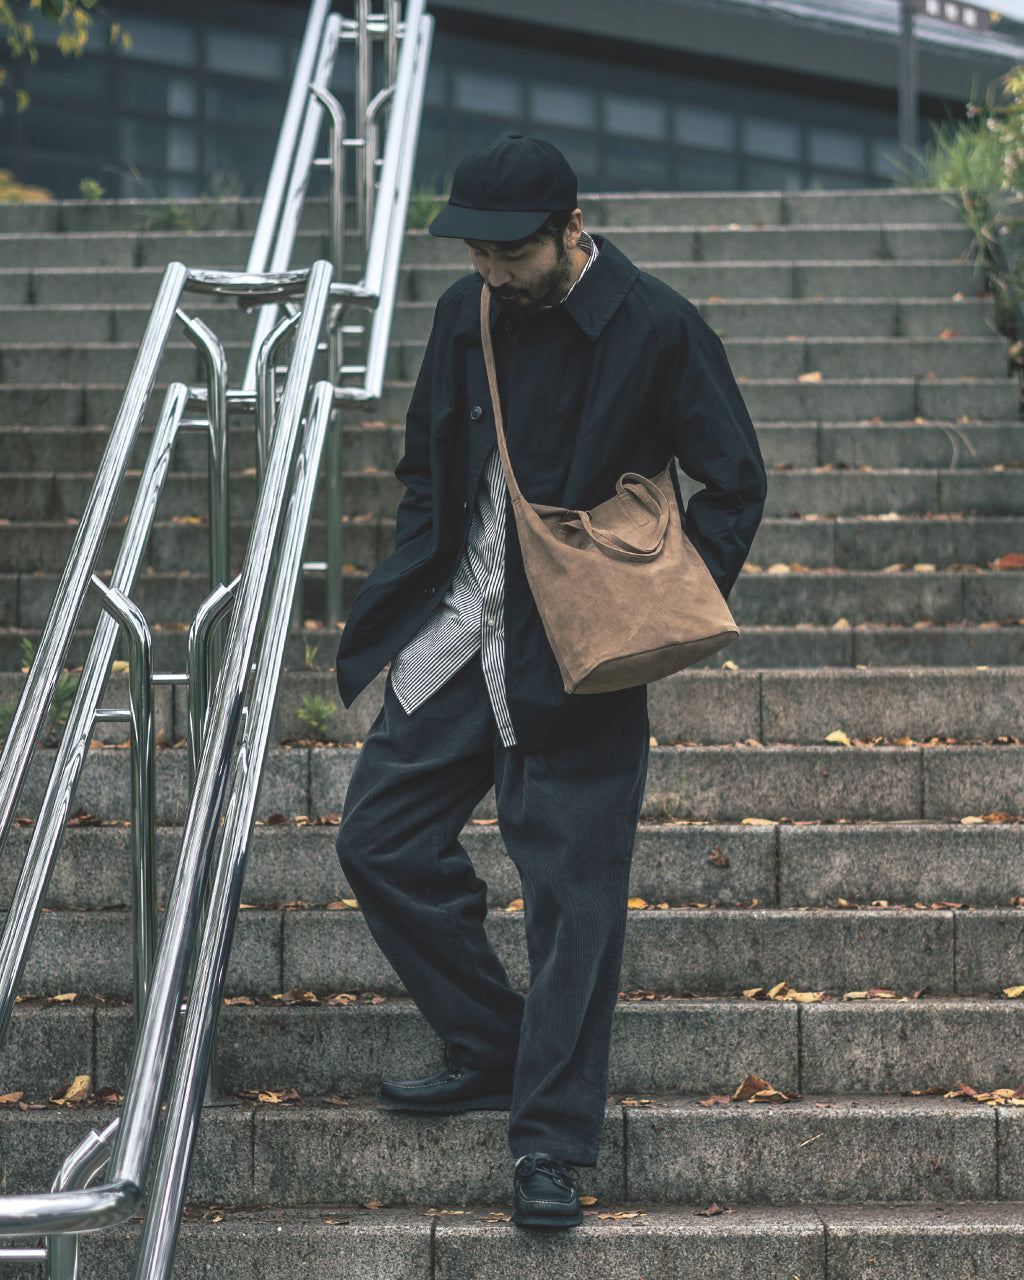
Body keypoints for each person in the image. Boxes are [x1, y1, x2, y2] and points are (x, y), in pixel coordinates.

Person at [334, 133, 765, 1229]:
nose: (489, 270)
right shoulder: (458, 315)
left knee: (574, 905)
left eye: (509, 252)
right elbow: (423, 469)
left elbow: (734, 477)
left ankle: (554, 1142)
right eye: (475, 249)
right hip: (453, 637)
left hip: (578, 661)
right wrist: (412, 574)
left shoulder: (657, 323)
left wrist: (661, 601)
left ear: (571, 228)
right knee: (377, 838)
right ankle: (492, 1043)